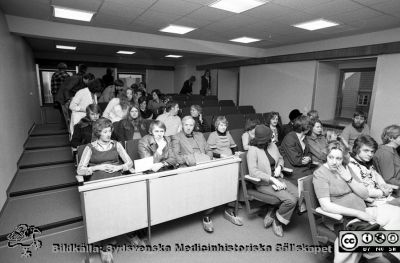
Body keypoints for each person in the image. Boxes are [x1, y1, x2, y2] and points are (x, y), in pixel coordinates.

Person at [313, 141, 400, 263]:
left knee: (397, 214)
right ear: (326, 156)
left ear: (342, 158)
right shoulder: (320, 174)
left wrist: (348, 178)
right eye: (330, 157)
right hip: (344, 219)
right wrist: (358, 214)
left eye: (338, 158)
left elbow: (364, 194)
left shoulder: (345, 168)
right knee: (383, 245)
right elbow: (325, 205)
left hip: (364, 210)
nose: (334, 162)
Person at [171, 116, 242, 233]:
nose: (188, 127)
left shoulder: (199, 135)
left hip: (206, 163)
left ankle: (228, 206)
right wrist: (196, 158)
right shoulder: (176, 137)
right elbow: (177, 157)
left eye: (191, 125)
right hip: (191, 167)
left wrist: (207, 158)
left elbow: (208, 150)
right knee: (207, 187)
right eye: (186, 125)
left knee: (225, 178)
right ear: (182, 125)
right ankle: (206, 215)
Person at [77, 117, 133, 263]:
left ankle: (124, 233)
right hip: (98, 183)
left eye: (110, 131)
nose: (108, 134)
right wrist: (97, 167)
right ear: (98, 132)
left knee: (123, 206)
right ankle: (104, 244)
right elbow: (80, 170)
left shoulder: (116, 145)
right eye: (105, 132)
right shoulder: (90, 147)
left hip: (116, 180)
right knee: (103, 212)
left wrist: (119, 167)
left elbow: (129, 162)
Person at [247, 125, 299, 237]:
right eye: (270, 137)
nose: (273, 137)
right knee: (291, 200)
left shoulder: (272, 145)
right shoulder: (252, 150)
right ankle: (277, 221)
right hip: (264, 183)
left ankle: (274, 213)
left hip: (278, 178)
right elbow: (253, 172)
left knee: (300, 196)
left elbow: (280, 158)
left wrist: (279, 167)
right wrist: (271, 179)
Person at [348, 135, 398, 204]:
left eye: (372, 151)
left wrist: (384, 186)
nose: (370, 154)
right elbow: (362, 190)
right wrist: (382, 192)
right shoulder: (351, 165)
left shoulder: (367, 163)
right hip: (366, 200)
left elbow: (376, 175)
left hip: (380, 197)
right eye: (366, 151)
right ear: (356, 149)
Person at [280, 115, 314, 184]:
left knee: (316, 175)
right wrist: (305, 160)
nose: (311, 129)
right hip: (291, 169)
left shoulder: (304, 138)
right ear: (305, 127)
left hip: (302, 167)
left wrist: (309, 159)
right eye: (310, 126)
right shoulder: (290, 138)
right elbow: (295, 160)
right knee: (309, 178)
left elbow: (309, 154)